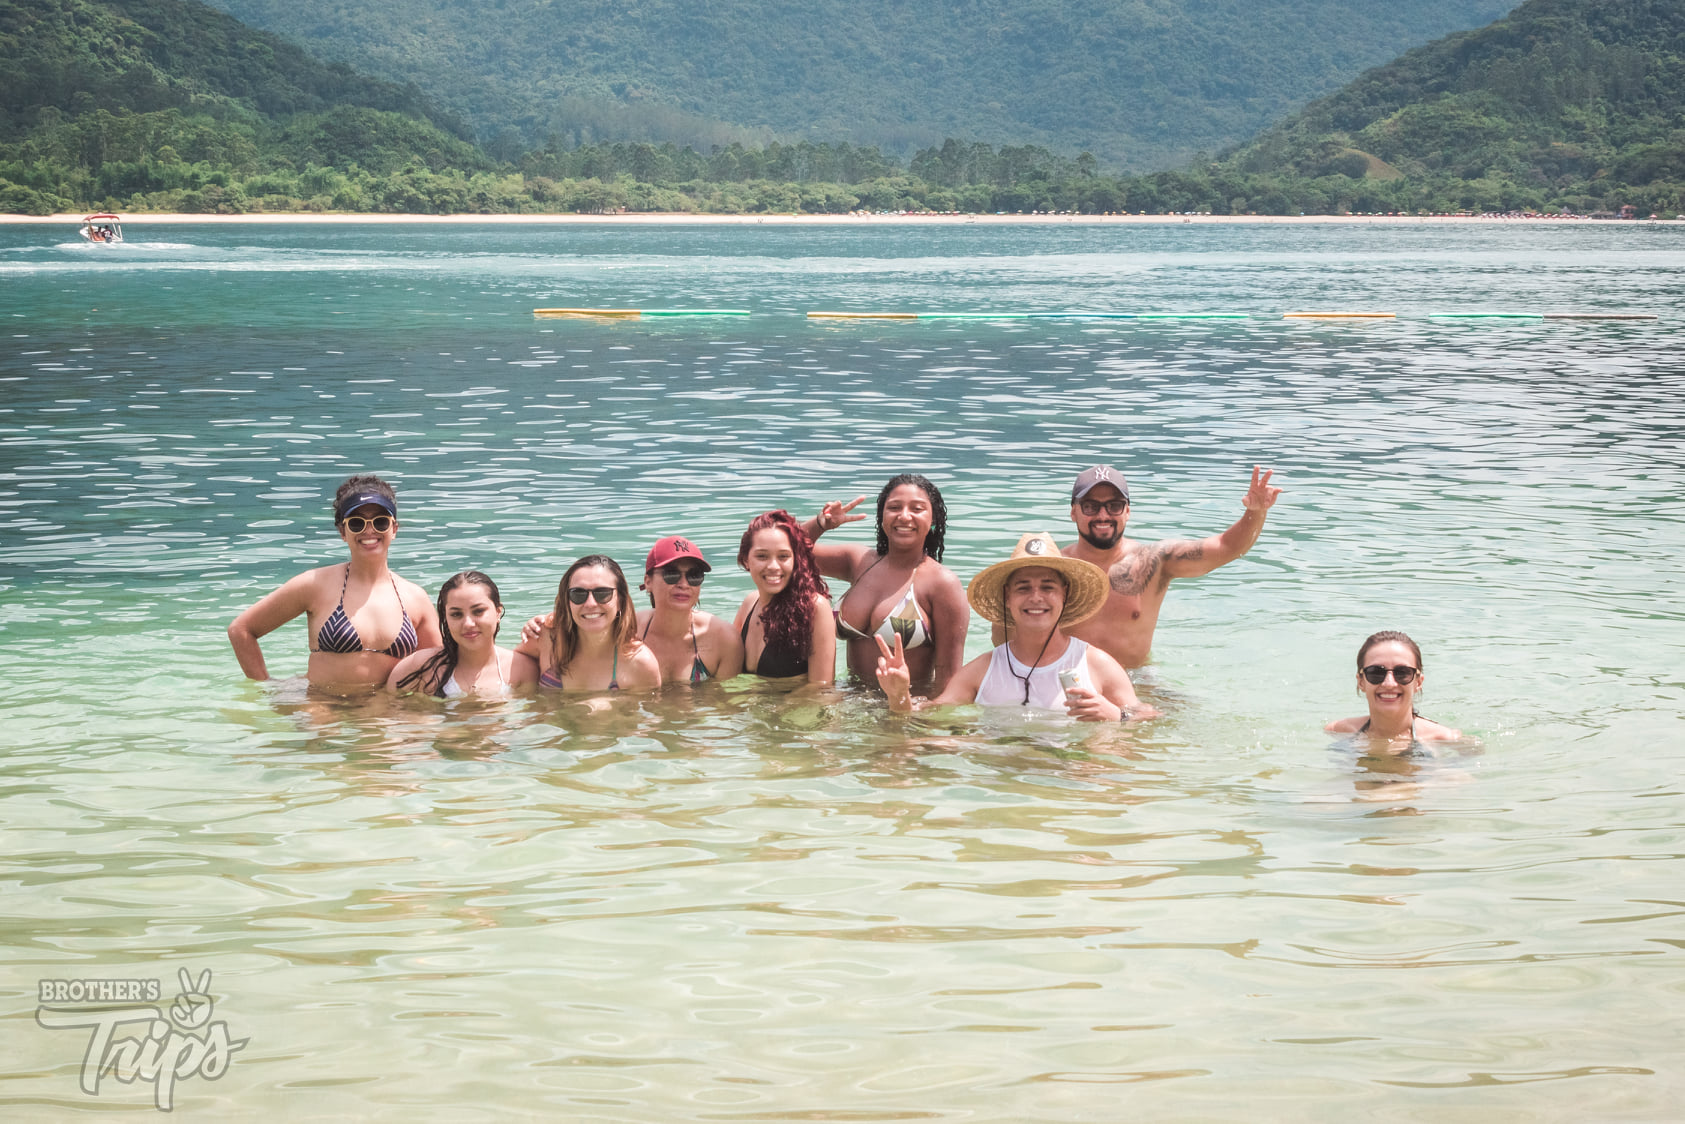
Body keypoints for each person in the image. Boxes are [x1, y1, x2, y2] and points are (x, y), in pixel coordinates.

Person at [1008, 463, 1282, 668]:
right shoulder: (1053, 571)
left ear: (1128, 511)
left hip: (1136, 681)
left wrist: (1255, 513)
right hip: (1065, 682)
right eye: (1091, 506)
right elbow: (1008, 636)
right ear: (1073, 512)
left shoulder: (1155, 561)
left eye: (1114, 506)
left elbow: (1227, 547)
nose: (1103, 515)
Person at [877, 532, 1155, 721]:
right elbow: (924, 718)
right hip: (1000, 785)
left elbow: (1151, 718)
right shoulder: (983, 670)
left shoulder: (1096, 665)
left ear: (1065, 595)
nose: (1036, 598)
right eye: (1024, 588)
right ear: (1007, 597)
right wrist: (899, 695)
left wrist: (1118, 716)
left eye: (1048, 587)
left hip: (1071, 788)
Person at [228, 474, 441, 691]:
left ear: (393, 529)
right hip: (323, 703)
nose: (369, 530)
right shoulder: (314, 585)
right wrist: (267, 688)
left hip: (385, 708)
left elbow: (439, 664)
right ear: (342, 532)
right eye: (357, 523)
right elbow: (241, 630)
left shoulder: (415, 598)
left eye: (380, 522)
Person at [804, 473, 969, 695]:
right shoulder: (859, 562)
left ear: (934, 519)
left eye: (917, 509)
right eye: (894, 507)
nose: (904, 516)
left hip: (907, 711)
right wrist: (821, 524)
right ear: (882, 516)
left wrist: (930, 723)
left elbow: (949, 677)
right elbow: (786, 552)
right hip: (850, 706)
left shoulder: (941, 583)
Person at [516, 555, 661, 693]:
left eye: (603, 593)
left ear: (620, 601)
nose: (590, 603)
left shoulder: (640, 664)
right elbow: (510, 669)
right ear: (567, 601)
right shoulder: (547, 637)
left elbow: (647, 716)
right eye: (578, 594)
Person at [386, 571, 537, 698]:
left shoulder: (522, 669)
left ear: (498, 612)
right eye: (456, 614)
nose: (468, 623)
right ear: (445, 618)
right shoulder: (417, 668)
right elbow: (388, 717)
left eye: (478, 611)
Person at [733, 511, 837, 685]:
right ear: (745, 560)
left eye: (783, 556)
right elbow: (727, 662)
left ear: (796, 560)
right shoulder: (750, 602)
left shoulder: (815, 608)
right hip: (754, 709)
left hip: (799, 710)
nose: (773, 566)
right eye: (762, 556)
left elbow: (821, 689)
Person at [635, 536, 744, 684]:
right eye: (671, 574)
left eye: (694, 575)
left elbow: (727, 703)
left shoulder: (724, 639)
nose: (684, 584)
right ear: (648, 582)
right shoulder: (629, 632)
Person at [1326, 630, 1461, 744]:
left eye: (1402, 673)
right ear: (1361, 682)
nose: (1389, 683)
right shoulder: (1338, 732)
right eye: (1376, 673)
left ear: (1418, 682)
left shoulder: (1445, 740)